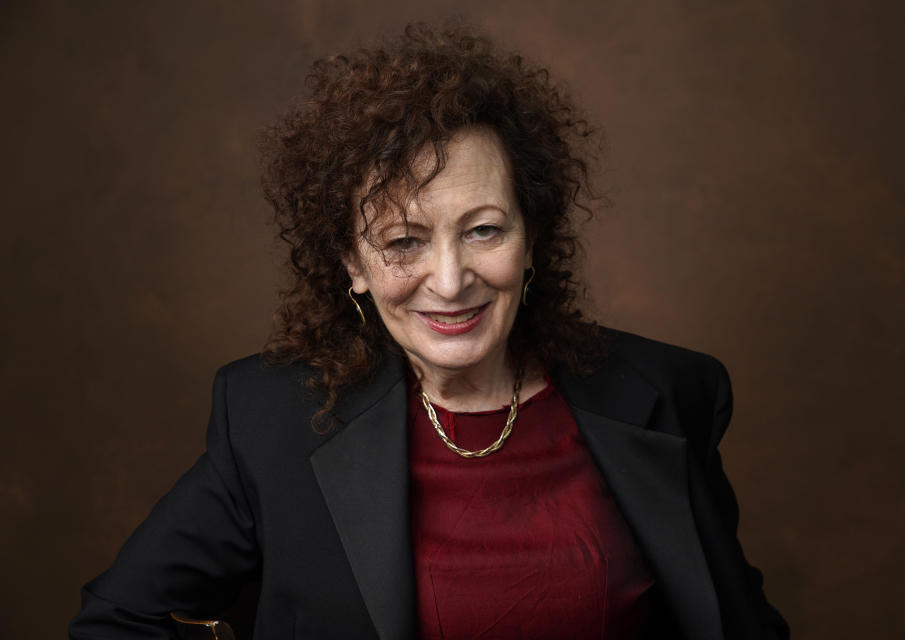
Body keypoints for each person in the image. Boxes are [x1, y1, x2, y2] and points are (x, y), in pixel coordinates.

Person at [70, 22, 788, 640]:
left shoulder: (668, 394)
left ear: (532, 238)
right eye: (404, 241)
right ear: (352, 261)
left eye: (483, 230)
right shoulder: (270, 419)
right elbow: (115, 623)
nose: (449, 280)